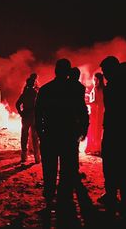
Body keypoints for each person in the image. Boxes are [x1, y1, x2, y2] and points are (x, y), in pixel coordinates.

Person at [35, 59, 89, 212]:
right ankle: (64, 199)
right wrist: (83, 130)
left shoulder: (46, 89)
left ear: (56, 71)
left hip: (50, 135)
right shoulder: (74, 90)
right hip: (69, 136)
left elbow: (38, 114)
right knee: (67, 169)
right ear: (67, 72)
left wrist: (41, 133)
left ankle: (49, 198)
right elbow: (82, 112)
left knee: (49, 169)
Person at [99, 57, 126, 217]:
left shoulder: (113, 89)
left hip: (115, 133)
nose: (104, 75)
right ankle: (124, 198)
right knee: (125, 166)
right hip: (125, 134)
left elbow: (114, 111)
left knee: (112, 165)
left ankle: (114, 196)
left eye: (105, 72)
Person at [16, 75, 40, 163]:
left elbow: (17, 104)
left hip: (25, 116)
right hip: (33, 116)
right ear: (33, 84)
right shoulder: (36, 93)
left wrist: (21, 112)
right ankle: (37, 158)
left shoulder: (25, 93)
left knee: (24, 136)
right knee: (35, 137)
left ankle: (23, 156)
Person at [85, 72, 105, 155]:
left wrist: (86, 102)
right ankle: (95, 148)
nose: (94, 81)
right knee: (96, 130)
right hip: (98, 112)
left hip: (96, 113)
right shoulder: (101, 89)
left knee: (95, 130)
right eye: (94, 79)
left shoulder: (97, 89)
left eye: (95, 79)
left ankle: (96, 148)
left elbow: (96, 102)